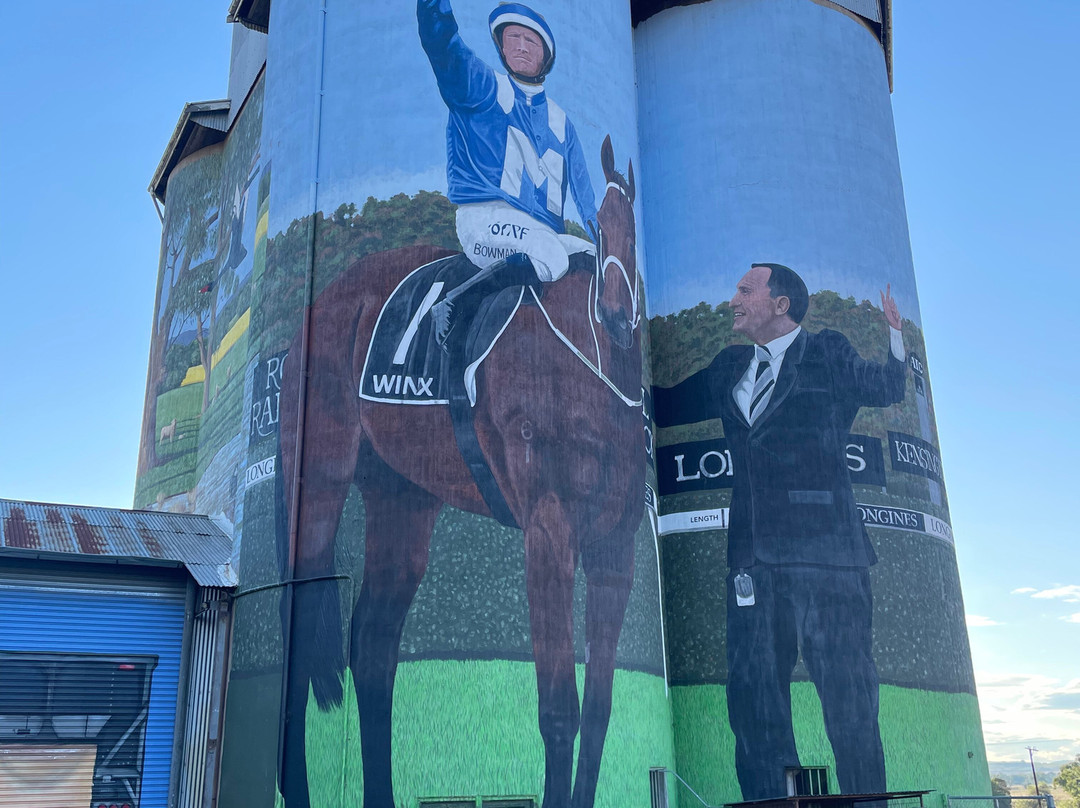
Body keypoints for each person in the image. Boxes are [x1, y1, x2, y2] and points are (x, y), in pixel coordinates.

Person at [653, 263, 906, 799]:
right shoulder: (729, 366)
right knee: (753, 702)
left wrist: (895, 336)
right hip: (752, 566)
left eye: (745, 290)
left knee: (850, 704)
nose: (733, 300)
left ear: (781, 303)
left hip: (829, 562)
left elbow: (883, 386)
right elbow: (667, 404)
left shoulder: (827, 352)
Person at [418, 0, 598, 342]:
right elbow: (444, 46)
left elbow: (585, 199)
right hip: (485, 220)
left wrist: (606, 245)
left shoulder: (562, 123)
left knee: (591, 259)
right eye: (512, 37)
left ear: (546, 55)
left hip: (541, 232)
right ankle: (454, 303)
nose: (520, 46)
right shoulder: (484, 87)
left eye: (530, 41)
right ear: (500, 47)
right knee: (552, 258)